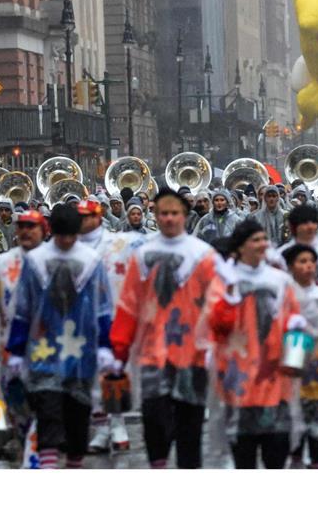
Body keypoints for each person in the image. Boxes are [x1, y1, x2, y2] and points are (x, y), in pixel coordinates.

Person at [111, 188, 221, 469]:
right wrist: (118, 352)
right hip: (153, 354)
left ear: (184, 215)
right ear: (155, 216)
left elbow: (218, 304)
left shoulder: (203, 255)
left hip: (193, 354)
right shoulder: (143, 255)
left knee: (190, 425)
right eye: (163, 213)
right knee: (154, 420)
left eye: (174, 213)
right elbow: (128, 305)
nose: (169, 218)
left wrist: (217, 346)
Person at [4, 204, 112, 469]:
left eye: (71, 235)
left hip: (81, 354)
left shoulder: (91, 261)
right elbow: (23, 309)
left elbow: (103, 307)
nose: (66, 241)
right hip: (43, 352)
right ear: (53, 231)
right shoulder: (36, 261)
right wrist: (16, 351)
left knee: (77, 421)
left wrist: (105, 346)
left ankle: (75, 463)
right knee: (48, 416)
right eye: (61, 235)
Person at [203, 220, 303, 470]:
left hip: (275, 379)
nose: (262, 245)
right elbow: (216, 325)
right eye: (255, 240)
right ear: (239, 247)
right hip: (239, 381)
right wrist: (230, 294)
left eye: (263, 239)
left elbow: (295, 321)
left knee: (276, 453)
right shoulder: (224, 281)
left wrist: (296, 361)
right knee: (244, 458)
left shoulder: (280, 280)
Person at [78, 199, 143, 454]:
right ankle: (101, 427)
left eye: (88, 216)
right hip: (81, 321)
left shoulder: (119, 242)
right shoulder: (68, 246)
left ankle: (118, 426)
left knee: (114, 374)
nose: (84, 221)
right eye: (80, 216)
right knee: (91, 378)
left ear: (98, 215)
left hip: (114, 316)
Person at [281, 243, 318, 468]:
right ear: (290, 267)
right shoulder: (282, 297)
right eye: (301, 262)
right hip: (290, 373)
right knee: (293, 440)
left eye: (311, 261)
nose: (308, 266)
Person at [277, 205, 318, 290]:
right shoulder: (281, 254)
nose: (310, 226)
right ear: (294, 226)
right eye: (304, 222)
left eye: (313, 222)